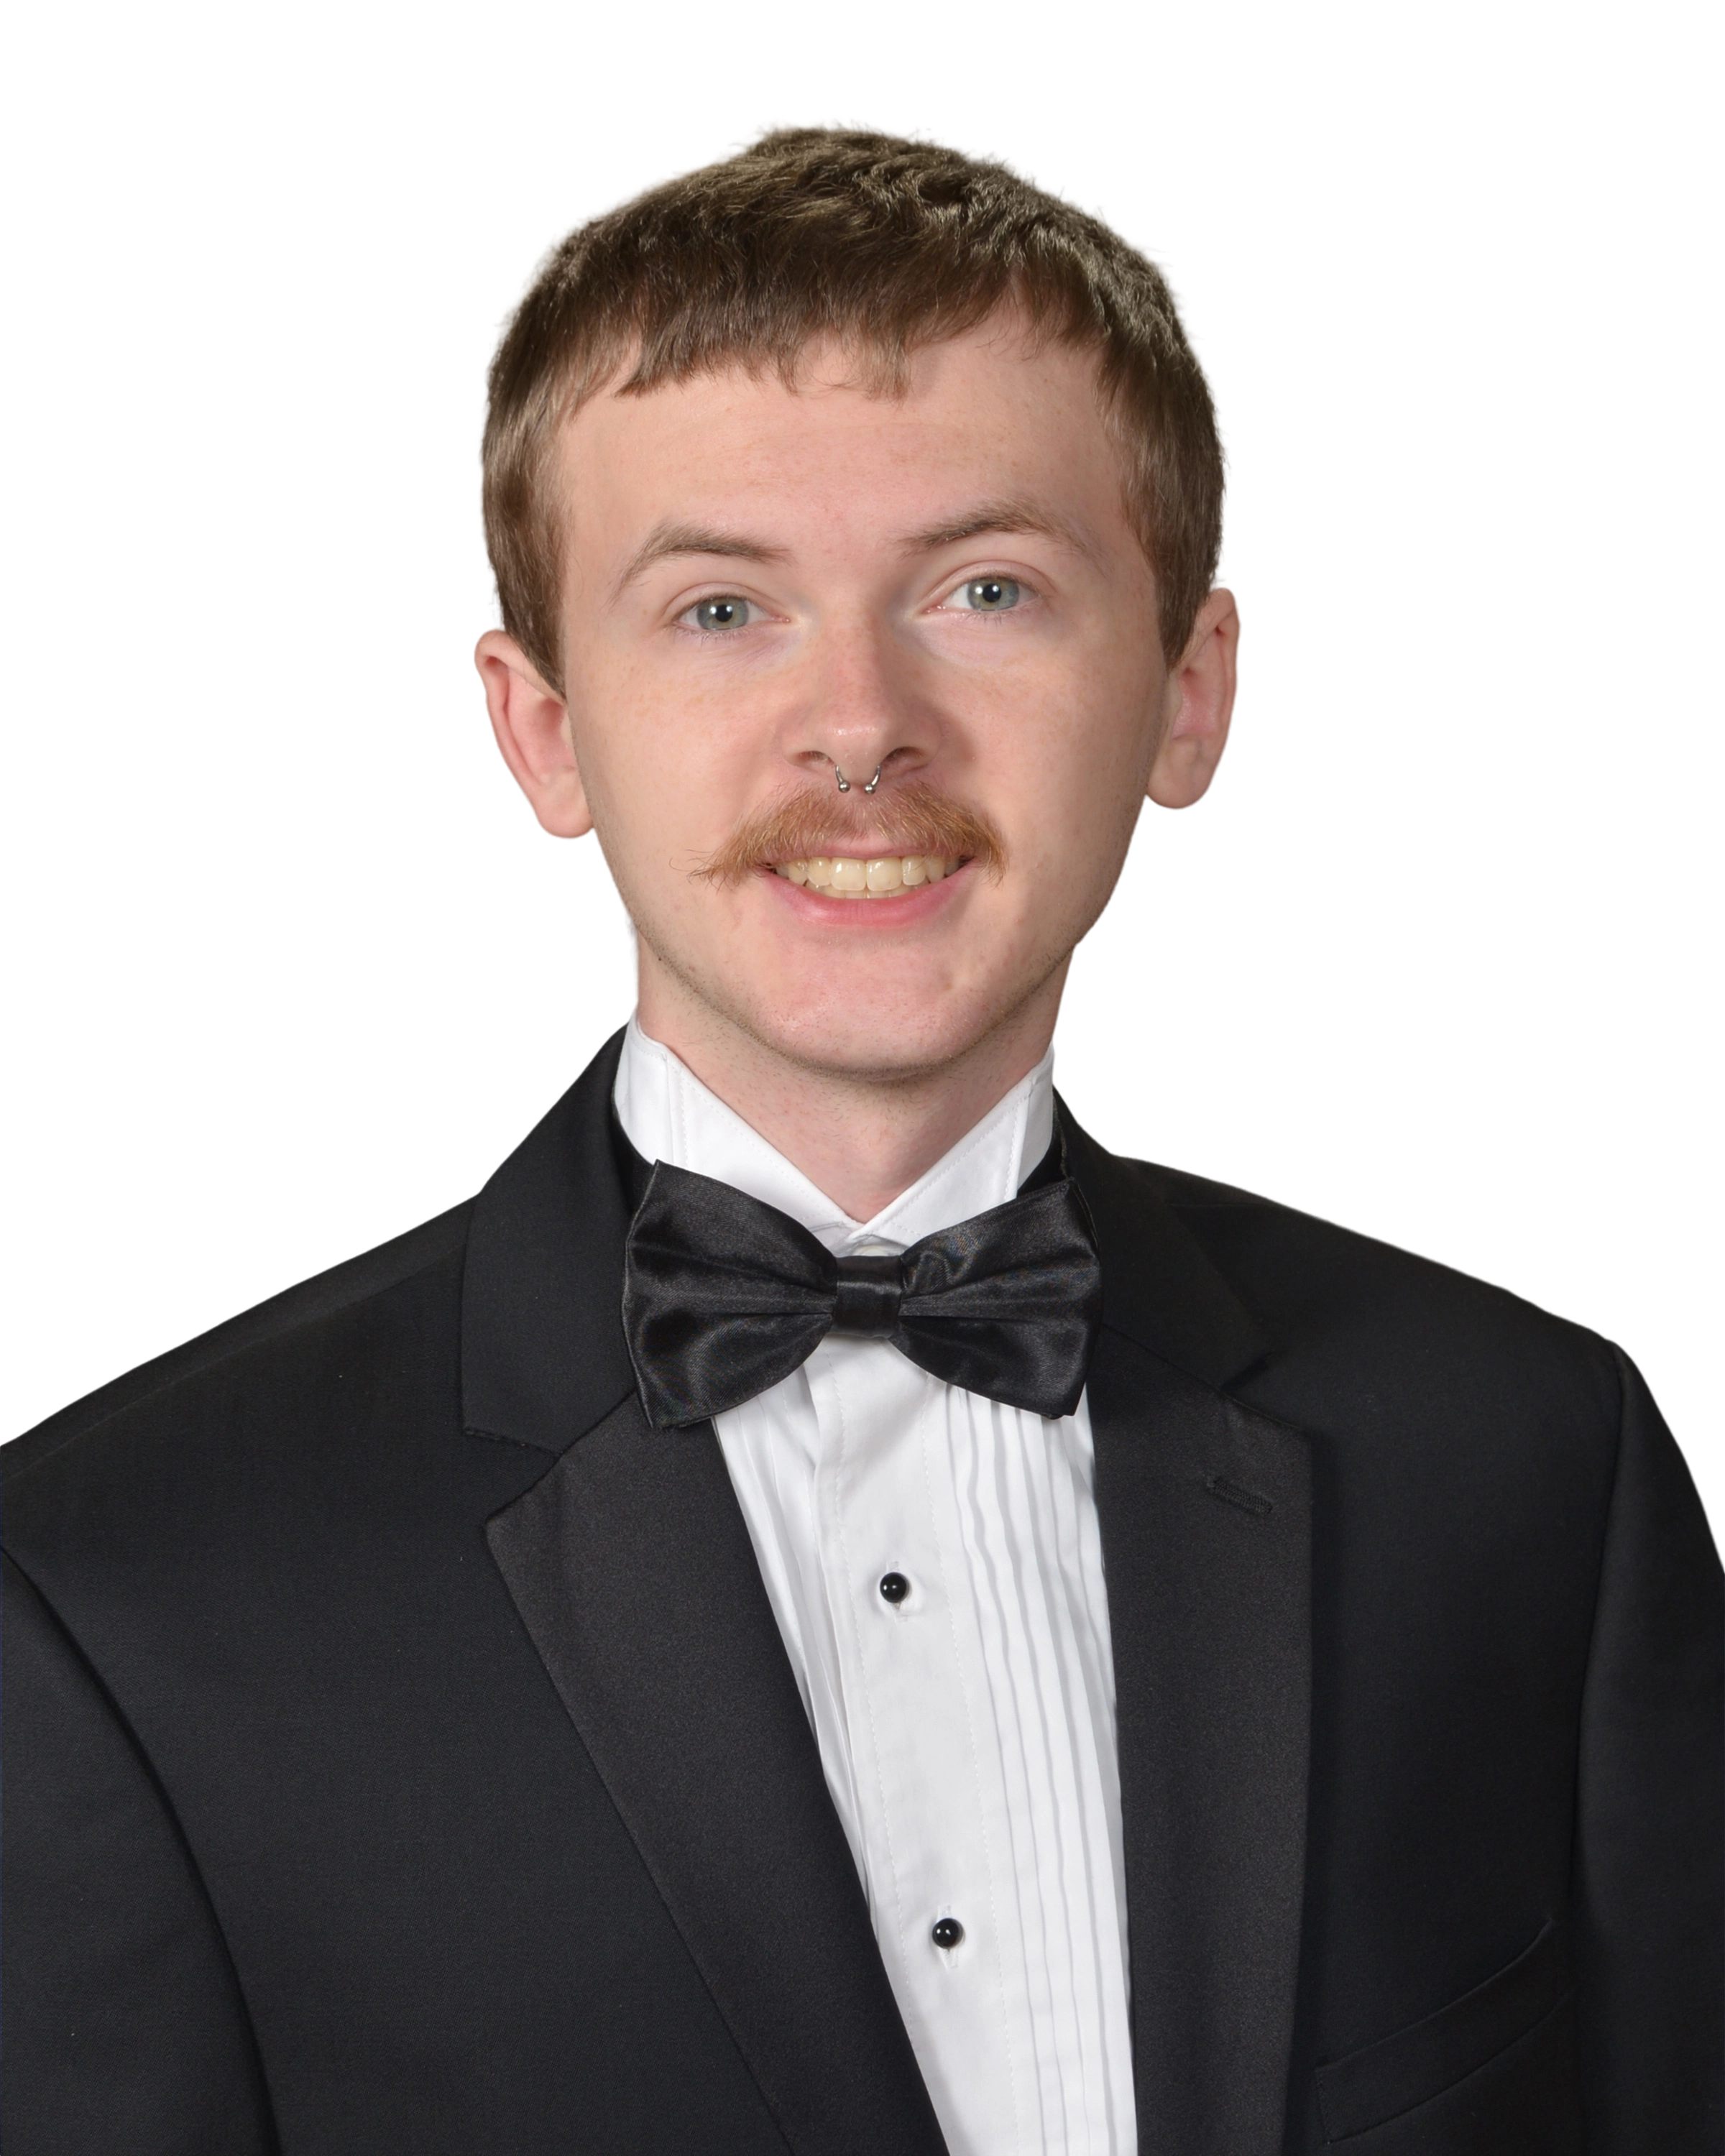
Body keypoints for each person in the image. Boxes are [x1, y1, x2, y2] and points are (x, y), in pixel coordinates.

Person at [4, 117, 1719, 2156]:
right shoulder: (110, 1590)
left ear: (1189, 692)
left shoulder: (1535, 1456)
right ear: (542, 732)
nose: (861, 725)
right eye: (722, 609)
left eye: (986, 589)